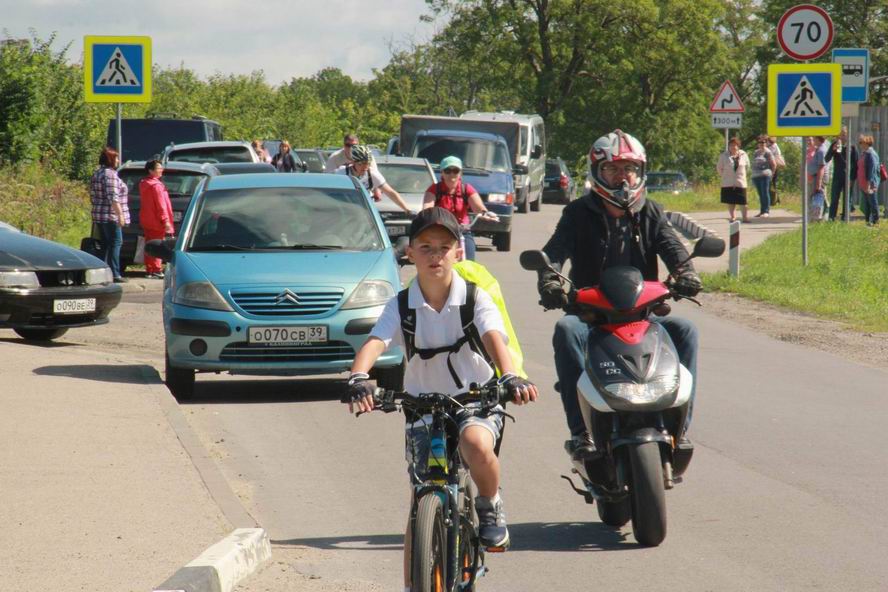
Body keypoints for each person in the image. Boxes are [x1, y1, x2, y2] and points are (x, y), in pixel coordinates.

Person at [346, 207, 538, 589]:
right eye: (426, 247)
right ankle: (414, 580)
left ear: (458, 253)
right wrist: (358, 377)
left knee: (473, 441)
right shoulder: (400, 305)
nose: (435, 255)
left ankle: (488, 504)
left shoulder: (474, 298)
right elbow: (375, 342)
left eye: (444, 247)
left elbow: (493, 339)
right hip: (423, 404)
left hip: (475, 398)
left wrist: (510, 376)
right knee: (421, 495)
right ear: (410, 253)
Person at [536, 129, 701, 461]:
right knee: (566, 331)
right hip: (592, 317)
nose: (622, 177)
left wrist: (687, 274)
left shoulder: (651, 212)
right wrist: (550, 281)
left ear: (639, 172)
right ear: (597, 172)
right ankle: (580, 432)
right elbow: (554, 253)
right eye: (612, 169)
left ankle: (680, 428)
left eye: (629, 169)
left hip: (642, 315)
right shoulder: (578, 213)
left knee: (686, 331)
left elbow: (673, 249)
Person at [422, 155, 497, 261]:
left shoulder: (466, 189)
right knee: (439, 260)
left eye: (455, 171)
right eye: (447, 171)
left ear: (460, 173)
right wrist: (428, 214)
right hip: (442, 231)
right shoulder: (434, 189)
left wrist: (485, 213)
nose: (451, 174)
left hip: (462, 231)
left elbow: (479, 208)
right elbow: (427, 208)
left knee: (470, 260)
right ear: (442, 173)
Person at [89, 146, 130, 283]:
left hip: (99, 214)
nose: (118, 160)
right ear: (111, 159)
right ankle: (115, 273)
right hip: (110, 215)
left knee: (106, 244)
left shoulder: (97, 173)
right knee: (116, 243)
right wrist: (120, 215)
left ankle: (102, 272)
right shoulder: (110, 174)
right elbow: (113, 197)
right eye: (116, 158)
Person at [335, 144, 413, 215]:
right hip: (345, 211)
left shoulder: (372, 174)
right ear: (353, 162)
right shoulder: (341, 173)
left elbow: (391, 193)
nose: (365, 167)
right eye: (361, 164)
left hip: (365, 212)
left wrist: (407, 210)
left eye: (367, 164)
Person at [138, 160, 174, 279]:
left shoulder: (144, 183)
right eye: (159, 168)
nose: (161, 170)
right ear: (151, 171)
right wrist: (166, 221)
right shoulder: (157, 186)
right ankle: (157, 269)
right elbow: (161, 205)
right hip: (157, 221)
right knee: (158, 245)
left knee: (149, 244)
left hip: (147, 220)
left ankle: (149, 269)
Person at [825, 127, 858, 221]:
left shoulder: (852, 147)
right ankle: (832, 217)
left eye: (843, 134)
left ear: (847, 135)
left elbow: (856, 164)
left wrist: (853, 178)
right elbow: (826, 159)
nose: (842, 137)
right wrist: (833, 150)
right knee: (834, 197)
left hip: (848, 176)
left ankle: (845, 217)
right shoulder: (834, 145)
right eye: (840, 135)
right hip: (837, 176)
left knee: (847, 198)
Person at [717, 137, 750, 223]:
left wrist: (742, 176)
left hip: (741, 181)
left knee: (743, 201)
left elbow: (747, 167)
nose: (733, 147)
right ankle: (733, 217)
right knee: (731, 201)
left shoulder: (743, 154)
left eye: (735, 145)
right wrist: (725, 176)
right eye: (731, 145)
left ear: (738, 146)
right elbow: (719, 168)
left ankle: (745, 218)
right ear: (729, 146)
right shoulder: (724, 156)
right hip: (728, 182)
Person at [857, 134, 880, 226]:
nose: (860, 144)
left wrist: (868, 183)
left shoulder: (871, 154)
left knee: (872, 202)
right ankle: (868, 221)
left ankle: (875, 221)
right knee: (866, 203)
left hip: (870, 183)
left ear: (867, 143)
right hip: (864, 182)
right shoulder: (865, 153)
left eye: (861, 142)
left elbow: (872, 170)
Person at [750, 135, 776, 218]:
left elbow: (773, 165)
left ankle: (766, 211)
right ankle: (761, 211)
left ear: (766, 143)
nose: (762, 144)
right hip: (756, 175)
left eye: (763, 142)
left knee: (765, 193)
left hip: (765, 175)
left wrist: (772, 174)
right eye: (760, 142)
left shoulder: (768, 152)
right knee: (760, 194)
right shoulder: (756, 152)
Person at [807, 136, 829, 221]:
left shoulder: (821, 151)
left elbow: (821, 167)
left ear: (818, 139)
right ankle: (818, 217)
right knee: (818, 197)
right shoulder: (819, 149)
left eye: (815, 139)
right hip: (816, 176)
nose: (813, 140)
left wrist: (818, 184)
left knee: (818, 197)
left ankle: (818, 218)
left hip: (818, 177)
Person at [766, 136, 784, 205]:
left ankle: (774, 200)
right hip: (772, 167)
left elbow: (776, 156)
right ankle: (776, 200)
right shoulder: (774, 146)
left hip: (773, 167)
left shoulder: (773, 146)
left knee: (772, 184)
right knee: (773, 184)